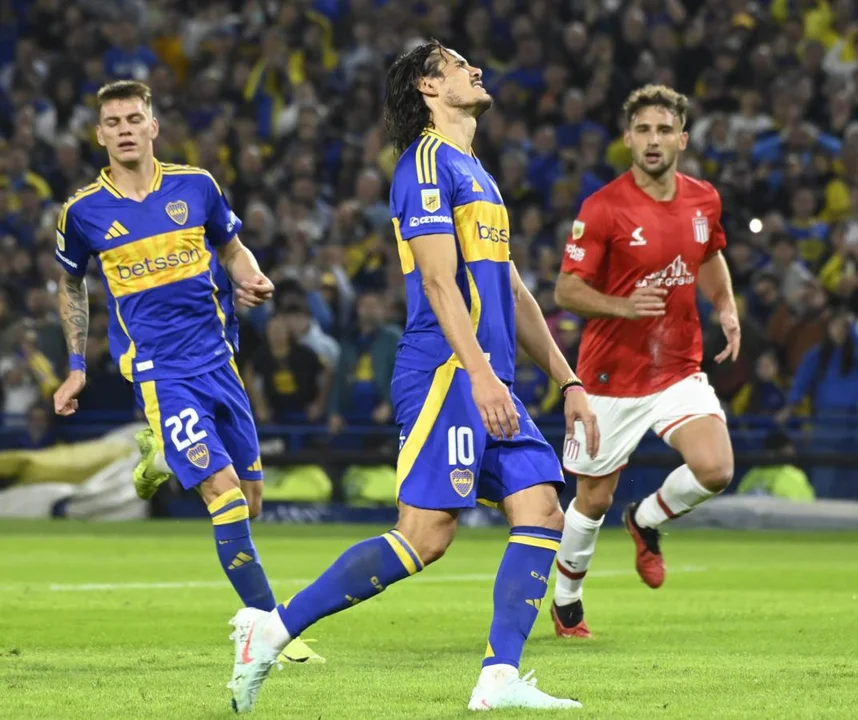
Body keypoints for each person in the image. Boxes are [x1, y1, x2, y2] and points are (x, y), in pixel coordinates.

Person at [223, 41, 598, 713]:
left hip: (487, 375)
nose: (475, 68)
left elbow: (513, 292)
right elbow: (436, 281)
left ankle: (499, 678)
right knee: (426, 535)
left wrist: (568, 381)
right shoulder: (422, 164)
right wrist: (479, 375)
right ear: (429, 87)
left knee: (542, 507)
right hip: (447, 371)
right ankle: (271, 630)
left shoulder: (476, 172)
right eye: (457, 64)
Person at [51, 81, 318, 663]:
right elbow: (70, 285)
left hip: (218, 359)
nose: (124, 129)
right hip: (159, 371)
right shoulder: (82, 212)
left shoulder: (197, 185)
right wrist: (75, 365)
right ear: (99, 135)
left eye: (133, 118)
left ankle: (161, 456)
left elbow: (233, 249)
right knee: (223, 497)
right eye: (113, 122)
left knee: (250, 502)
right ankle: (270, 632)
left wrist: (252, 277)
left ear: (152, 126)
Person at [551, 84, 739, 638]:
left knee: (716, 468)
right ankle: (566, 601)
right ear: (628, 139)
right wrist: (623, 306)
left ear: (682, 139)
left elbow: (709, 255)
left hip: (677, 366)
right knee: (593, 499)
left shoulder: (704, 199)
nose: (653, 140)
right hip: (610, 375)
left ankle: (647, 519)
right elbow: (565, 291)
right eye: (643, 130)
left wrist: (725, 306)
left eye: (664, 130)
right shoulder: (603, 207)